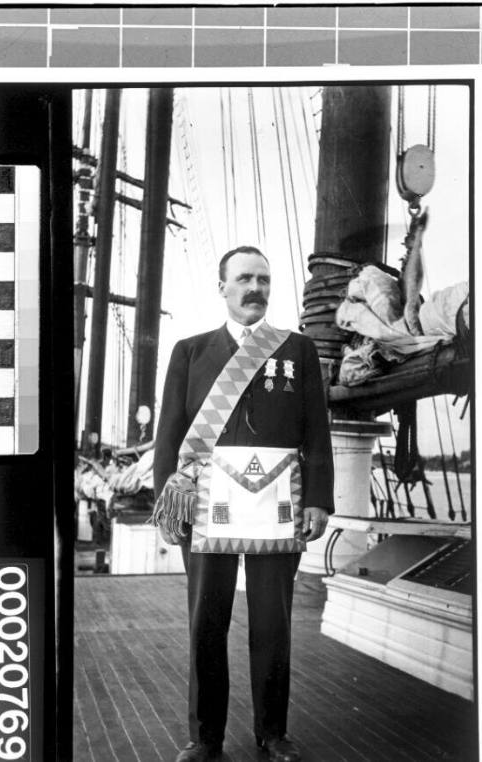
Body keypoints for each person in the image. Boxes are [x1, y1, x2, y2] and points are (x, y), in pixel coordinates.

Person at [154, 246, 334, 762]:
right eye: (245, 279)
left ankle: (273, 734)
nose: (256, 288)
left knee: (273, 625)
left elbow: (316, 433)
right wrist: (169, 501)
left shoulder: (297, 351)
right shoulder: (190, 352)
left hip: (278, 506)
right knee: (206, 622)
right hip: (206, 508)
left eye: (264, 279)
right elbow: (168, 434)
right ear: (223, 287)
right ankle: (204, 737)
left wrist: (318, 499)